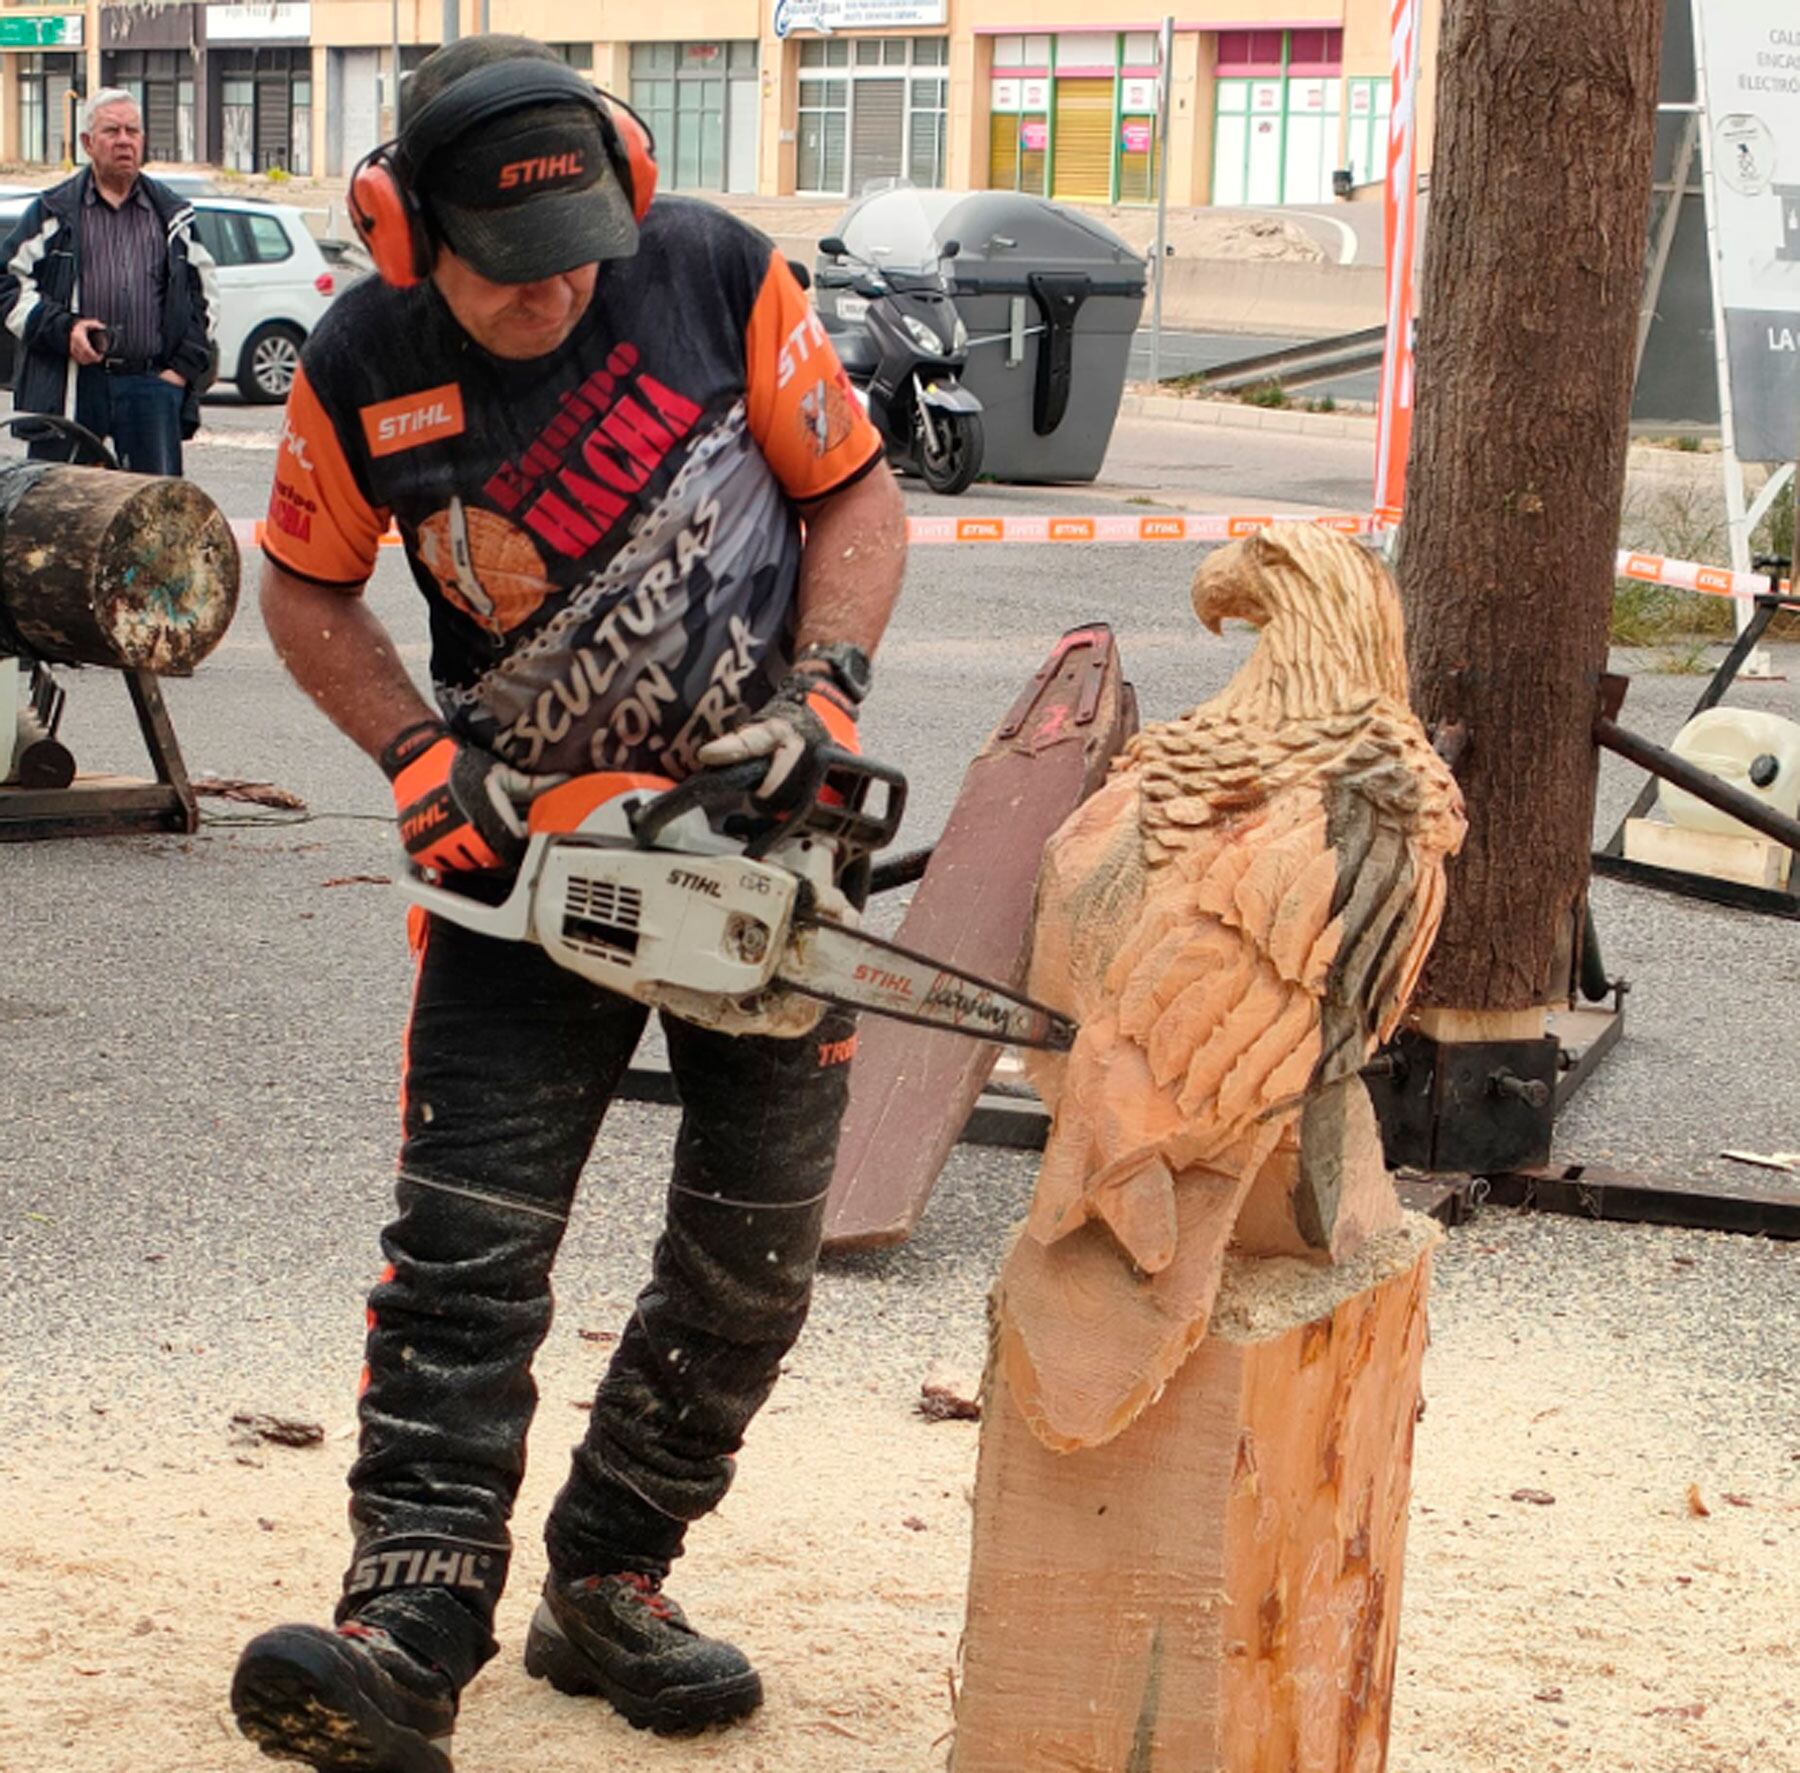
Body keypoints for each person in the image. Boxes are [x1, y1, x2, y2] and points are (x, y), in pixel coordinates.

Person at [228, 33, 906, 1773]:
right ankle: (409, 1620)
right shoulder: (362, 360)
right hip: (524, 871)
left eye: (581, 251)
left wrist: (825, 695)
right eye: (513, 267)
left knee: (751, 1267)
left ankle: (611, 1573)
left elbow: (856, 499)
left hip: (760, 847)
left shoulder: (717, 274)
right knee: (465, 1261)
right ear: (404, 232)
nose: (556, 291)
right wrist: (412, 753)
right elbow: (303, 589)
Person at [0, 88, 216, 474]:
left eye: (132, 131)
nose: (124, 141)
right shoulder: (52, 211)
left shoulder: (172, 215)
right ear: (87, 143)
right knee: (66, 503)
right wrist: (65, 330)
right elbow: (7, 283)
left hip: (151, 387)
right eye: (111, 131)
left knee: (152, 506)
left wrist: (181, 371)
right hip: (71, 386)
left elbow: (206, 296)